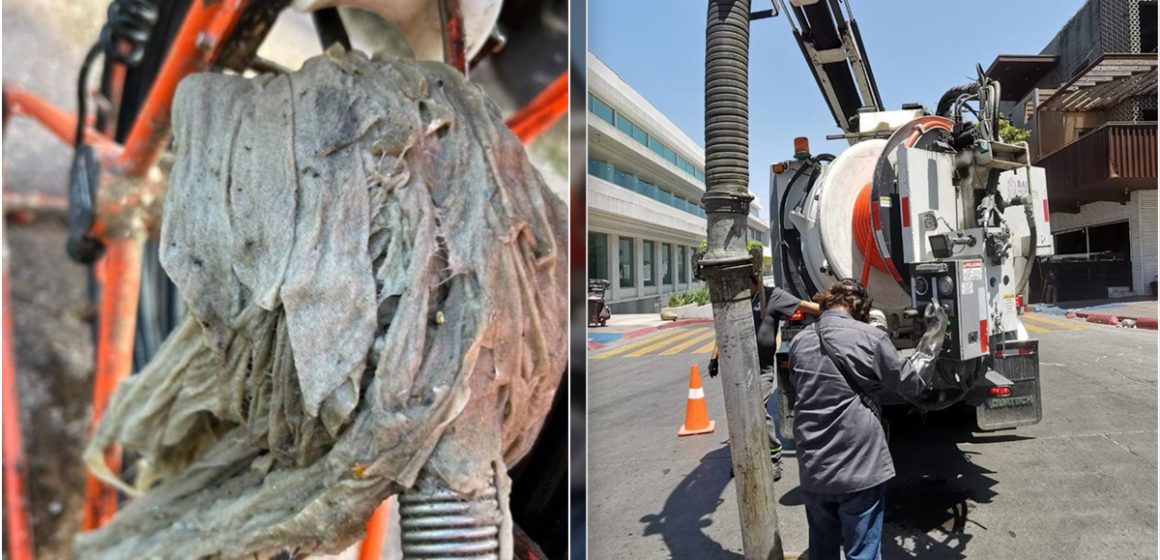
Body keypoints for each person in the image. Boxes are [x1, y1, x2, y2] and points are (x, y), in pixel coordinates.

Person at [787, 279, 944, 560]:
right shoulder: (870, 338)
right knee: (862, 551)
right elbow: (910, 383)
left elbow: (800, 385)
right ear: (859, 309)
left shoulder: (800, 340)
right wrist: (934, 336)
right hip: (858, 466)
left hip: (813, 467)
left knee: (822, 548)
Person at [707, 273, 819, 481]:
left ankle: (773, 457)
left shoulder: (771, 297)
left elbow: (808, 307)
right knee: (739, 413)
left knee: (756, 408)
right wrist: (714, 357)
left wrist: (840, 314)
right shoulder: (732, 300)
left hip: (761, 369)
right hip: (736, 369)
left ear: (751, 278)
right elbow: (723, 329)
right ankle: (744, 459)